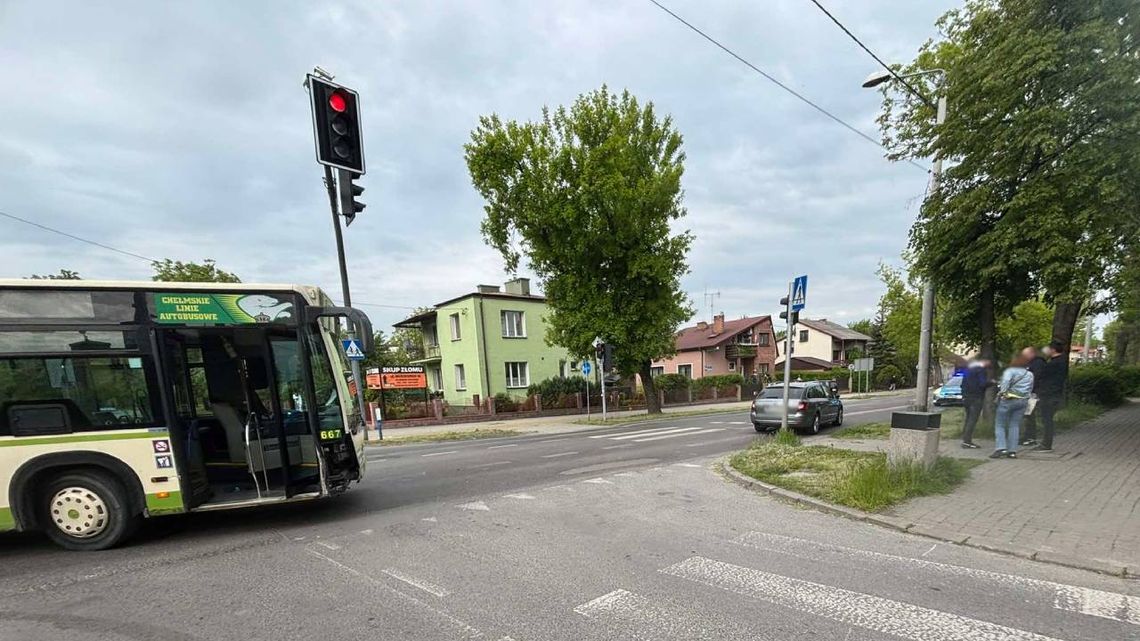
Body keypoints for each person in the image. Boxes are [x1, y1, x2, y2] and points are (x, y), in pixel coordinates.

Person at [992, 349, 1035, 459]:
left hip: (1008, 400)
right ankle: (1012, 451)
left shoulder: (1010, 371)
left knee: (1000, 424)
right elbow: (1030, 388)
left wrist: (1002, 393)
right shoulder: (1029, 374)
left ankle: (1001, 448)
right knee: (1015, 425)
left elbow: (1005, 383)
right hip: (1022, 401)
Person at [1034, 341, 1068, 452]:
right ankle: (1046, 443)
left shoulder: (1054, 363)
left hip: (1049, 395)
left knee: (1047, 419)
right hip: (1054, 394)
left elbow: (1042, 375)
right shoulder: (1062, 361)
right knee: (1047, 419)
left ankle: (1046, 444)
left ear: (1053, 350)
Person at [959, 359, 990, 449]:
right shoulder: (981, 370)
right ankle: (967, 441)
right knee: (972, 419)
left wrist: (964, 395)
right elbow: (982, 384)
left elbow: (962, 385)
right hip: (976, 397)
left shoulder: (968, 370)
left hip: (966, 397)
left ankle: (965, 438)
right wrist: (991, 383)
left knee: (968, 418)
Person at [1020, 347, 1046, 447]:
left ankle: (1031, 437)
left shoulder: (1037, 363)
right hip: (1029, 392)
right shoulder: (1030, 363)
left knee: (1029, 414)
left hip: (1034, 393)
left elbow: (1036, 378)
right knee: (1027, 415)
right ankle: (1027, 436)